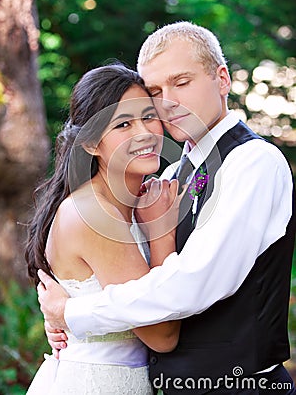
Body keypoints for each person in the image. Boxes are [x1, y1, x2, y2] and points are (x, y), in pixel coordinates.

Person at [37, 22, 296, 394]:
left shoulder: (253, 162)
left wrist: (74, 313)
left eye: (182, 82)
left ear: (222, 79)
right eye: (155, 90)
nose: (168, 101)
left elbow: (195, 283)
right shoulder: (172, 173)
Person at [25, 63, 183, 394]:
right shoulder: (93, 214)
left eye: (148, 116)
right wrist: (161, 235)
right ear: (92, 144)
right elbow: (162, 334)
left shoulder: (137, 200)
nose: (144, 132)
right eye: (123, 124)